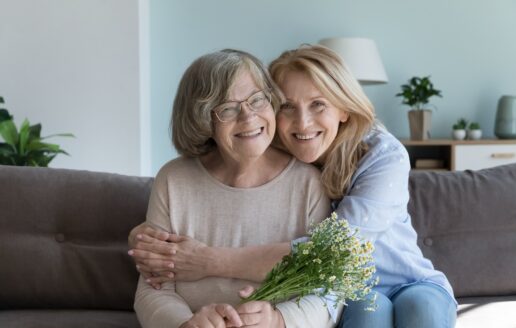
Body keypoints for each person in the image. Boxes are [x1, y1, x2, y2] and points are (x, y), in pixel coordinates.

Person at [129, 45, 457, 327]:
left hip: (404, 280)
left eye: (318, 104)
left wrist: (209, 261)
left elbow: (331, 254)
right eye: (287, 106)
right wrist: (142, 237)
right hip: (355, 290)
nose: (302, 123)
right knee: (370, 313)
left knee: (421, 309)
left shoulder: (380, 156)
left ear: (344, 107)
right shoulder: (279, 147)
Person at [133, 48, 341, 328]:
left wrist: (280, 320)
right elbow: (152, 288)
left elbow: (327, 291)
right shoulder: (173, 180)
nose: (248, 117)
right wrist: (185, 323)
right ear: (203, 119)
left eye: (257, 100)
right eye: (228, 108)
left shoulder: (308, 183)